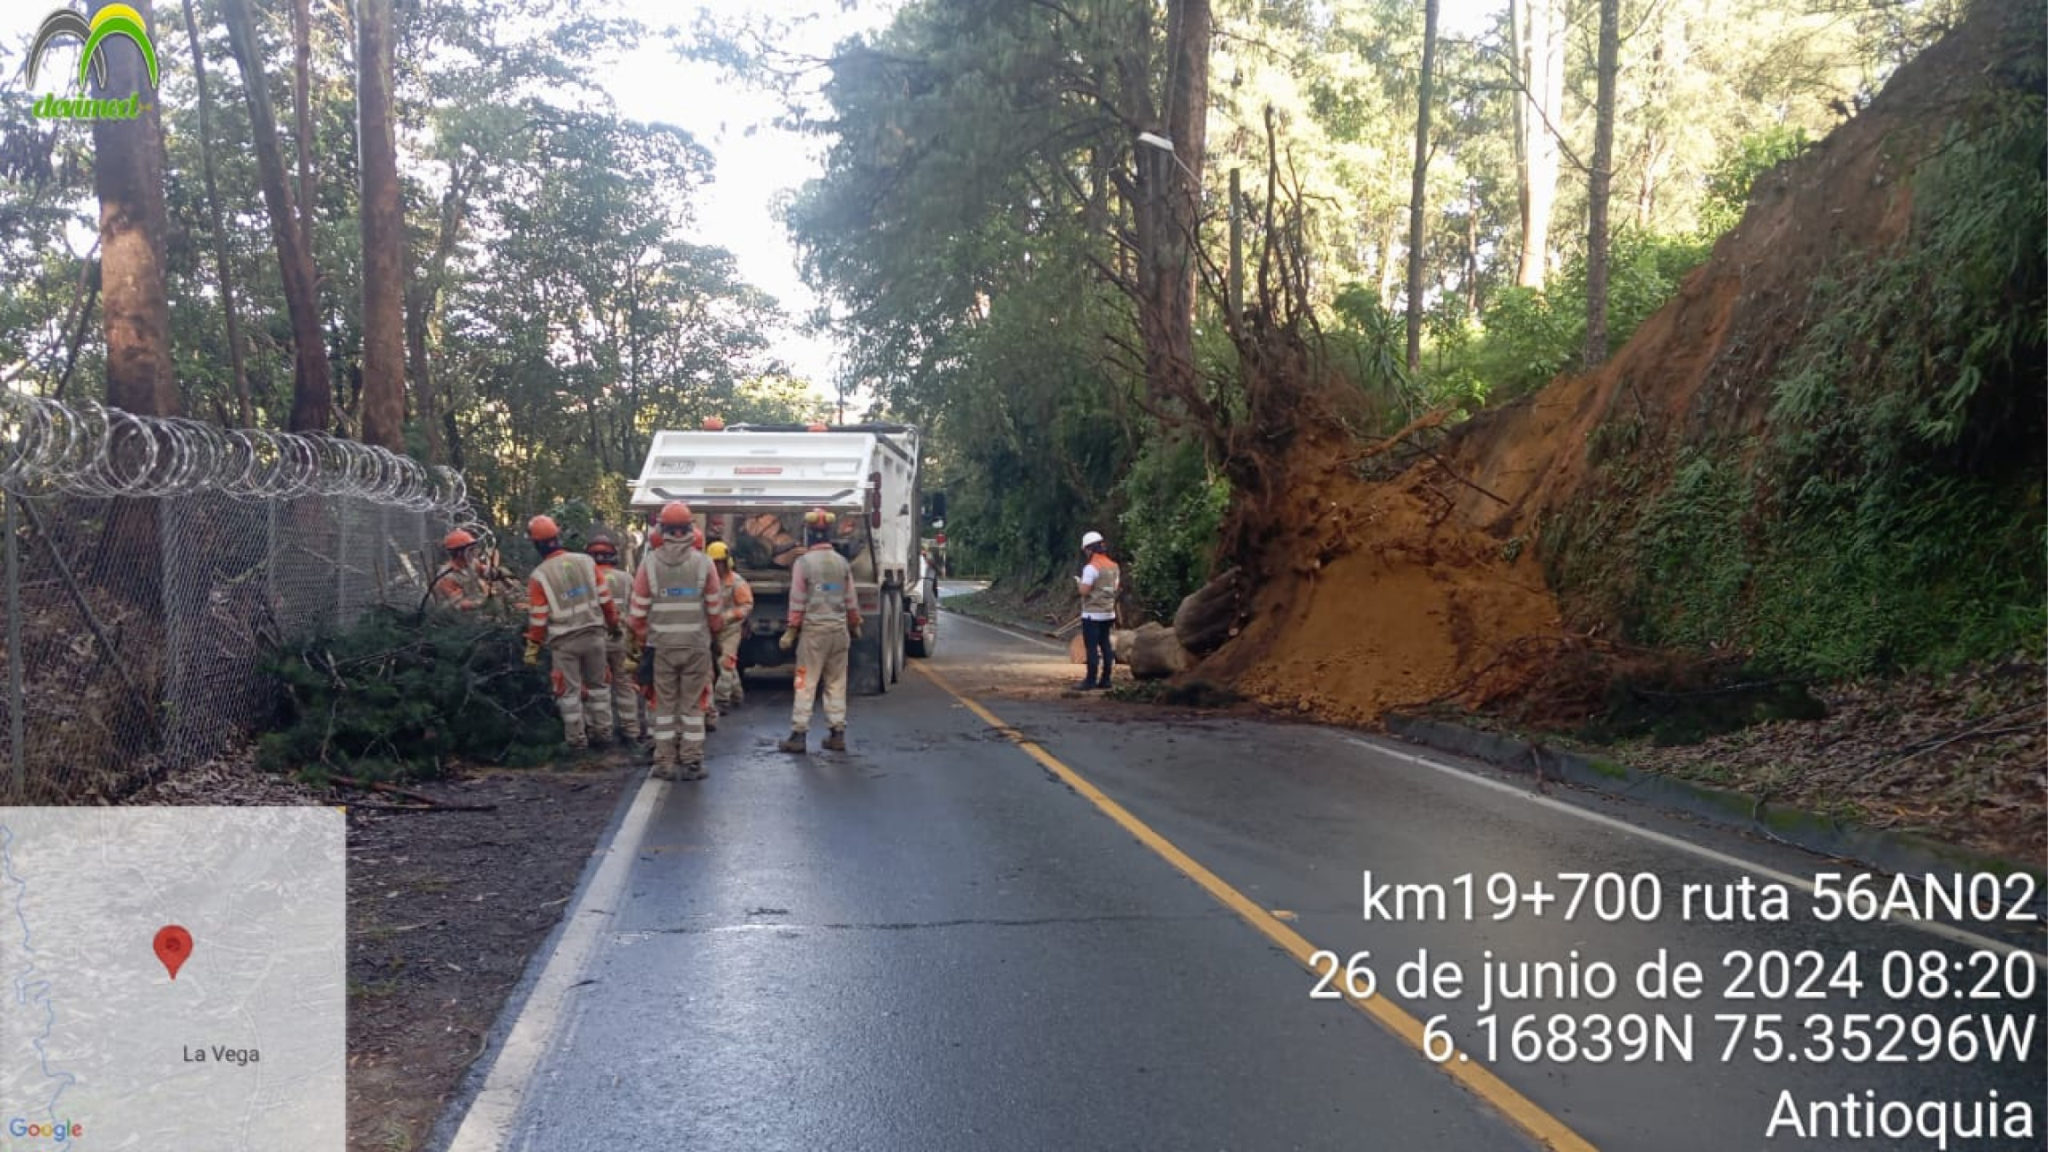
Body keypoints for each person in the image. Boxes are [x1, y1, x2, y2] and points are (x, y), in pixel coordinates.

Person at [629, 501, 723, 781]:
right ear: (690, 529)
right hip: (696, 645)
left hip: (662, 647)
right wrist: (713, 636)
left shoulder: (650, 564)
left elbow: (636, 614)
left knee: (665, 705)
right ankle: (692, 762)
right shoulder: (704, 562)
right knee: (693, 706)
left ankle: (664, 762)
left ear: (663, 529)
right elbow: (715, 611)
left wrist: (641, 640)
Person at [524, 514, 620, 749]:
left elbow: (538, 618)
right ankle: (603, 734)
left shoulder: (539, 576)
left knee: (569, 693)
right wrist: (614, 626)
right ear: (558, 536)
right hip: (595, 635)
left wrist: (533, 648)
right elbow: (606, 600)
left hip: (564, 642)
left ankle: (577, 742)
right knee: (599, 687)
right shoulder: (586, 562)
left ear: (537, 544)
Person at [778, 507, 861, 754]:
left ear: (808, 534)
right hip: (838, 633)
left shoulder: (803, 564)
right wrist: (855, 625)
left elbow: (797, 601)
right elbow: (851, 600)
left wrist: (791, 630)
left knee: (805, 681)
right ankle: (837, 733)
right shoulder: (841, 563)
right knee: (836, 682)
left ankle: (799, 734)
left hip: (814, 634)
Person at [586, 531, 645, 743]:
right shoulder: (626, 579)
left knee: (598, 686)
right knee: (625, 684)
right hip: (621, 639)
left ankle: (602, 734)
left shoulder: (587, 580)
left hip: (595, 640)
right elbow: (636, 610)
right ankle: (631, 731)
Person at [707, 540, 753, 715]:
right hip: (712, 628)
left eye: (720, 562)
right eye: (714, 563)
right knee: (728, 664)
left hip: (731, 629)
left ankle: (722, 700)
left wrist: (729, 617)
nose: (717, 566)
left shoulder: (736, 582)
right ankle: (737, 695)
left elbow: (747, 605)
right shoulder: (705, 581)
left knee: (725, 662)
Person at [1075, 530, 1120, 691]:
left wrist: (1079, 584)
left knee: (1092, 647)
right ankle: (1106, 679)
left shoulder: (1091, 568)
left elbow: (1084, 591)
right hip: (1108, 613)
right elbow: (1114, 587)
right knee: (1106, 645)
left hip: (1092, 614)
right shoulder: (1114, 566)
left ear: (1089, 549)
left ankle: (1090, 680)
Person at [432, 529, 489, 611]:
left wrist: (492, 571)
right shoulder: (447, 577)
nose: (474, 553)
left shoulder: (470, 563)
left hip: (476, 606)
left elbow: (482, 569)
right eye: (470, 550)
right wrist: (483, 602)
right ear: (459, 553)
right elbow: (459, 605)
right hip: (457, 617)